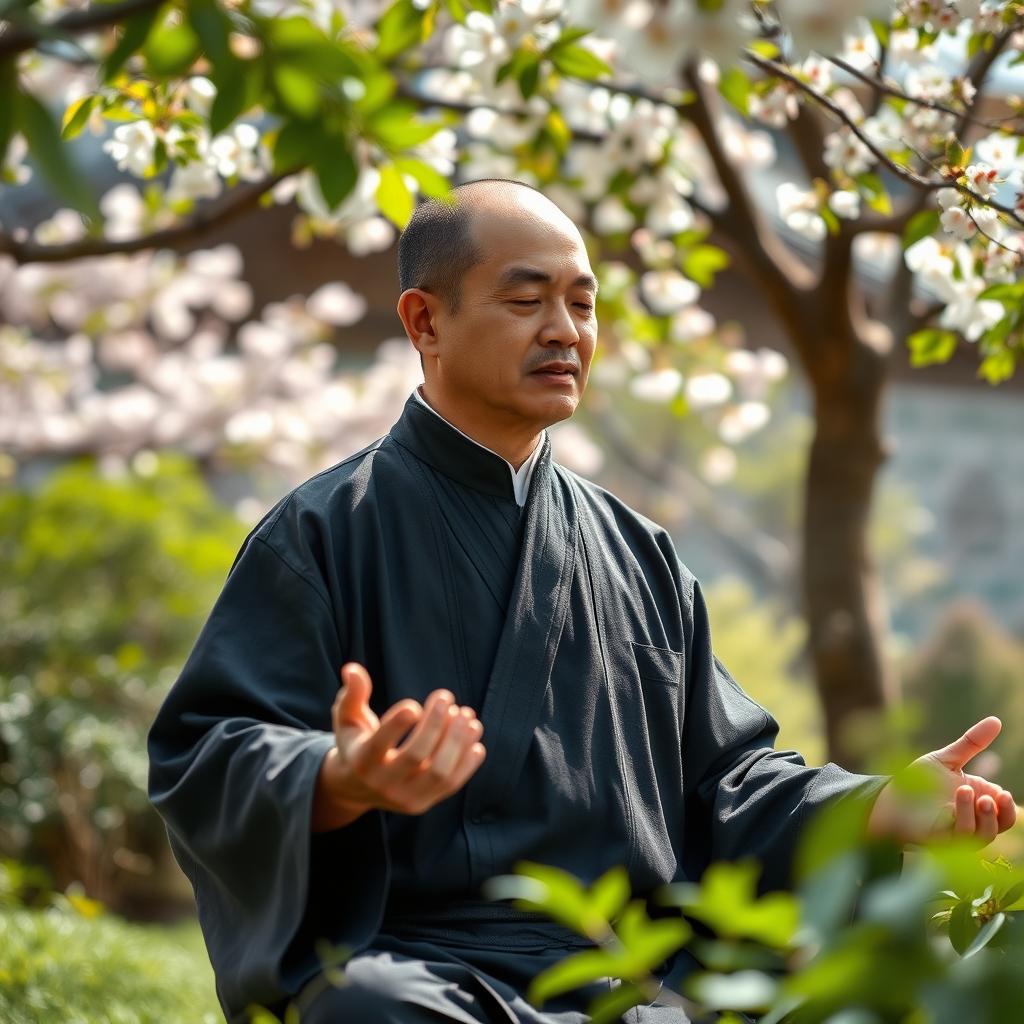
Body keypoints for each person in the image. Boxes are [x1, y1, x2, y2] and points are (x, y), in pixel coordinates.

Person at [147, 179, 1016, 1024]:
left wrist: (874, 806)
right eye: (526, 302)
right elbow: (207, 753)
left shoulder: (639, 552)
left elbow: (725, 781)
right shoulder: (324, 531)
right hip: (425, 966)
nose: (564, 331)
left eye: (582, 304)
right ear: (425, 321)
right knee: (371, 1009)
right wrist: (336, 779)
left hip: (628, 971)